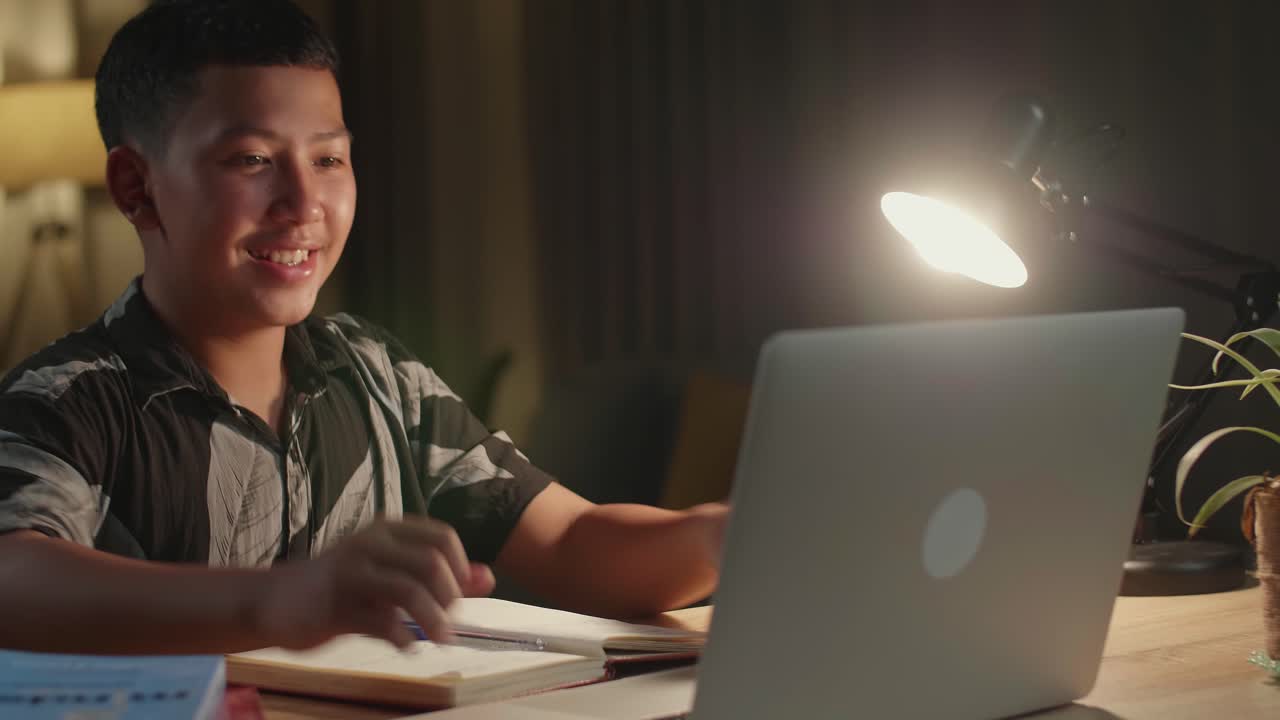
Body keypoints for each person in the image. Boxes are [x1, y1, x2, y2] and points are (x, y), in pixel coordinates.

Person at [0, 0, 727, 655]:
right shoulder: (66, 402)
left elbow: (570, 540)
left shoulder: (380, 376)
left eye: (329, 158)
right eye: (252, 159)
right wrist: (282, 601)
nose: (304, 201)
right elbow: (14, 573)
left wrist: (722, 537)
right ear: (136, 187)